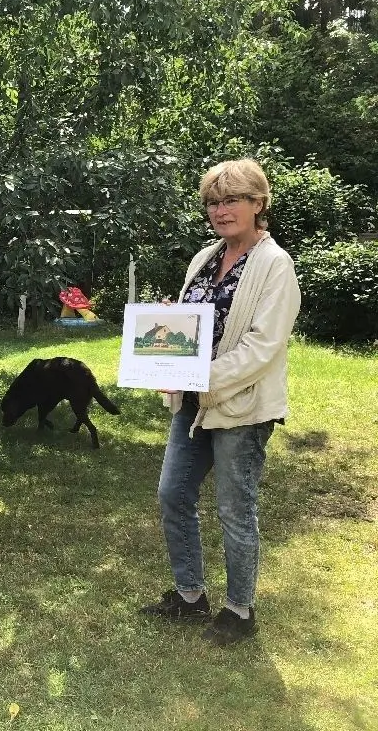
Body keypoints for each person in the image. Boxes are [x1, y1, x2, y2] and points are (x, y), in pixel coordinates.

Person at [140, 159, 300, 645]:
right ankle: (190, 596)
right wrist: (169, 337)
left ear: (258, 204)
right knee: (173, 494)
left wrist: (197, 376)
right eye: (213, 202)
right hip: (194, 402)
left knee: (235, 508)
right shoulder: (206, 257)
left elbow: (261, 348)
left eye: (232, 200)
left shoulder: (276, 265)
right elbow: (195, 324)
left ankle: (239, 609)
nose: (221, 210)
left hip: (243, 408)